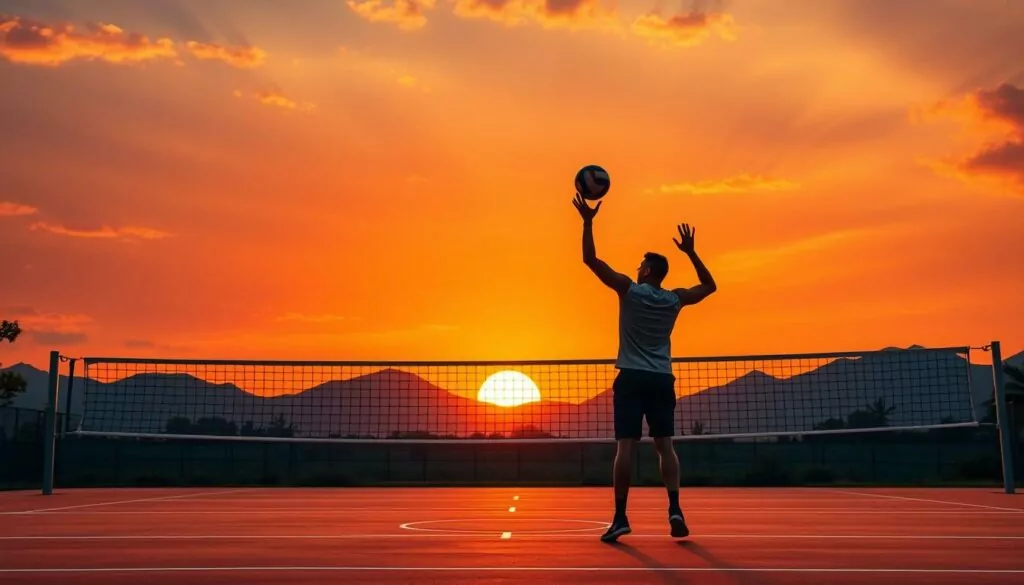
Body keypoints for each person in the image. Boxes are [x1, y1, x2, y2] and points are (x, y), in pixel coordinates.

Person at [571, 193, 717, 543]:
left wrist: (588, 221)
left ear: (647, 270)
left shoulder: (629, 290)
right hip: (661, 379)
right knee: (665, 446)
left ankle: (621, 517)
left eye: (640, 264)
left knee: (625, 447)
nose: (637, 267)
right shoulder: (674, 299)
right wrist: (692, 252)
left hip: (632, 378)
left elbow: (590, 259)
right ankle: (675, 509)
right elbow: (710, 286)